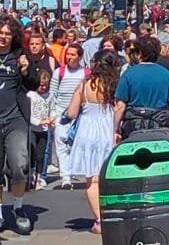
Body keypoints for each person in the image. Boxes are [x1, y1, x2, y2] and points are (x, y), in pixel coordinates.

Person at [65, 50, 119, 235]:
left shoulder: (85, 84)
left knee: (91, 179)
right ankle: (112, 216)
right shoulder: (114, 85)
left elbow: (71, 113)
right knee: (109, 176)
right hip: (107, 130)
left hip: (87, 131)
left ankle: (99, 219)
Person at [113, 36, 169, 142]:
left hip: (133, 127)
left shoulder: (129, 74)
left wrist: (115, 130)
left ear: (139, 53)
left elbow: (120, 106)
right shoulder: (165, 74)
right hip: (159, 126)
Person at [51, 42, 88, 190]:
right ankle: (65, 176)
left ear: (79, 57)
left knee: (77, 145)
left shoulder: (85, 73)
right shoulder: (59, 72)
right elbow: (52, 93)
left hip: (79, 115)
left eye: (73, 54)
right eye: (68, 54)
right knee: (61, 145)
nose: (69, 57)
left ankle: (76, 171)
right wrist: (53, 114)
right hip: (61, 112)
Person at [27, 70, 52, 189]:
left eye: (45, 85)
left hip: (43, 130)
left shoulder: (49, 96)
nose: (43, 88)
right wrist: (39, 121)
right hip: (32, 129)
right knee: (31, 154)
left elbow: (53, 110)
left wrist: (52, 118)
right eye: (40, 85)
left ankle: (39, 177)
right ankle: (30, 175)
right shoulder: (30, 95)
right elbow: (28, 114)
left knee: (41, 155)